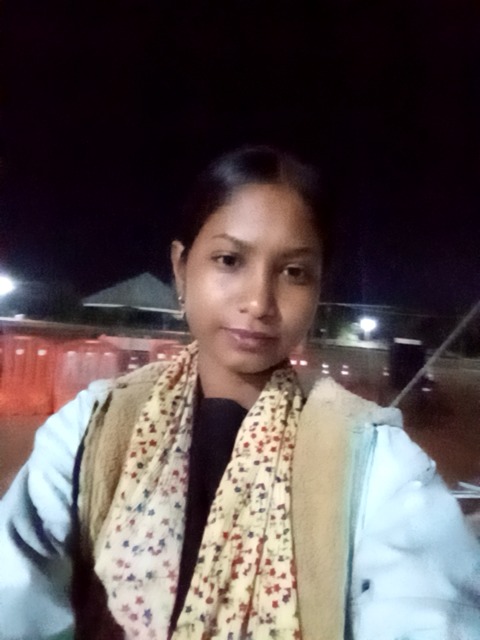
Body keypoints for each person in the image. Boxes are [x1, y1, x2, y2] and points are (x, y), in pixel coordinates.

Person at [1, 146, 479, 640]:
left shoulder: (371, 459)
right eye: (229, 260)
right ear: (181, 269)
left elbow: (431, 607)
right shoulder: (94, 429)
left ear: (318, 289)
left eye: (294, 272)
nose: (258, 302)